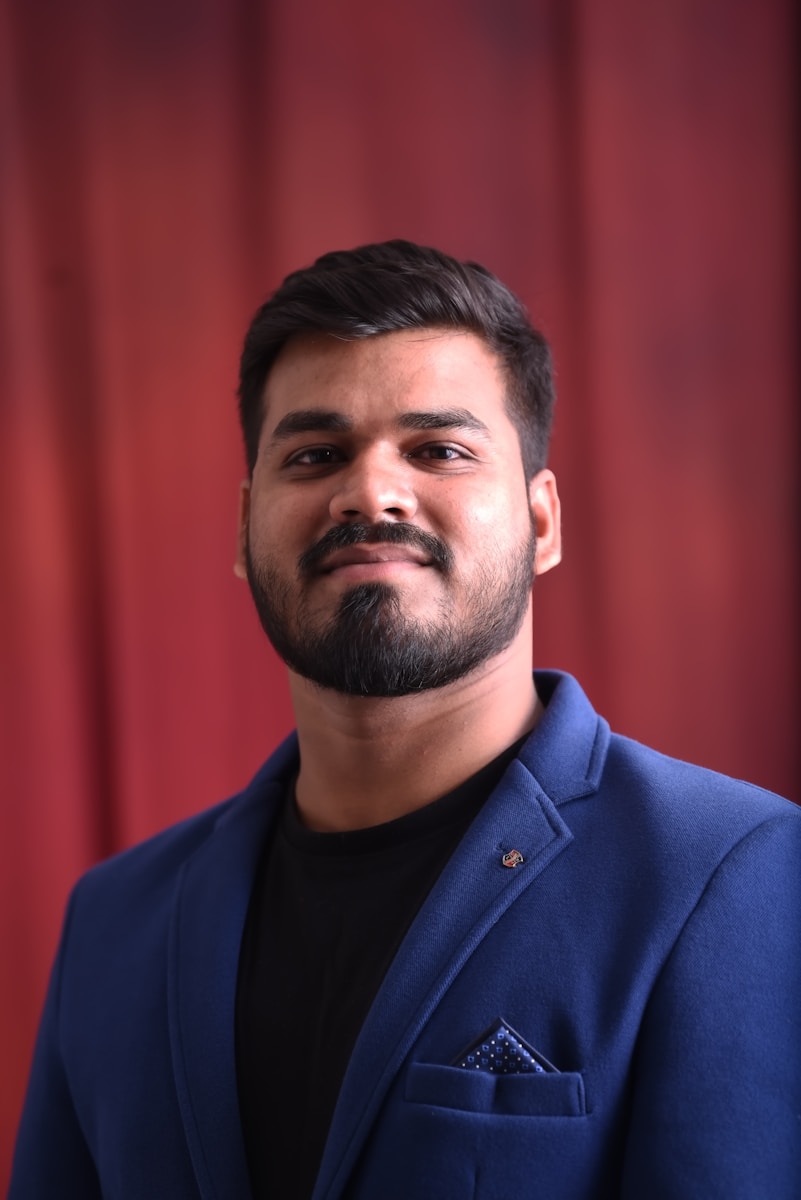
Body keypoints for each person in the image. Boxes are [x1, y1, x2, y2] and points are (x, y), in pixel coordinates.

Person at [11, 240, 800, 1200]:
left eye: (439, 451)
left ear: (540, 522)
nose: (370, 492)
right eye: (316, 454)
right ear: (245, 527)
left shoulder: (730, 873)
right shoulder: (115, 920)